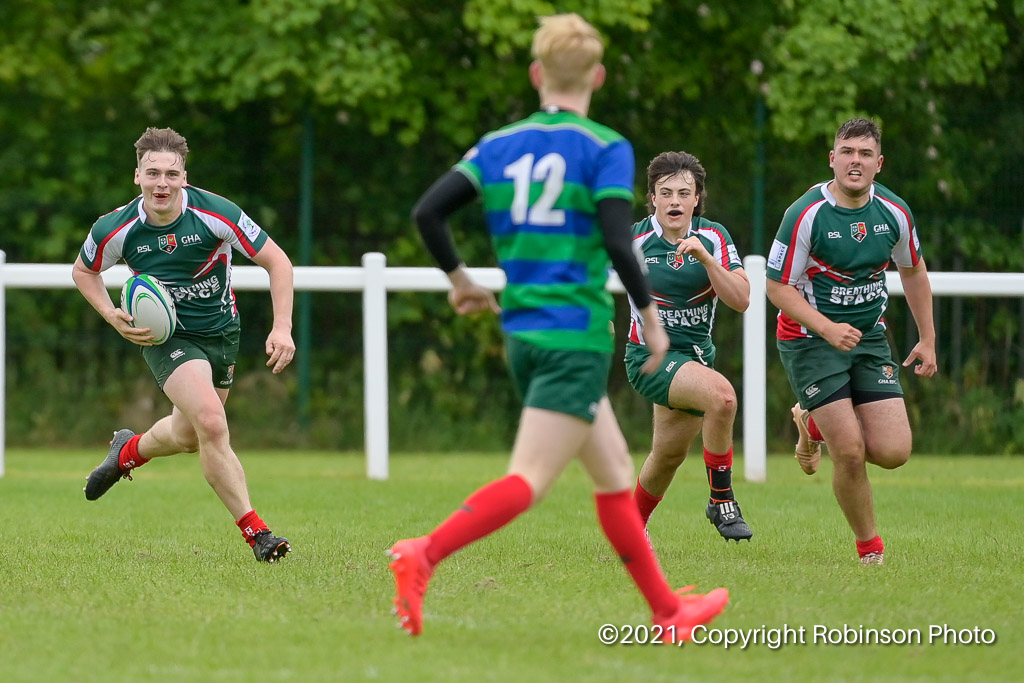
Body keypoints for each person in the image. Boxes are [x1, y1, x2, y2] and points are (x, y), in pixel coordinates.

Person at [388, 13, 728, 643]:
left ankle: (667, 613)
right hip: (573, 336)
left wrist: (461, 280)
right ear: (597, 77)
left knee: (614, 476)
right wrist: (651, 316)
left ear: (536, 74)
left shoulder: (497, 144)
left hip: (524, 333)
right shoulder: (604, 146)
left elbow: (429, 212)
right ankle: (423, 553)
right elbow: (618, 242)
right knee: (529, 481)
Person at [72, 127, 295, 563]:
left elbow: (278, 262)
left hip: (221, 332)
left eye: (171, 174)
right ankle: (258, 533)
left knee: (189, 435)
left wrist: (282, 327)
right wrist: (111, 314)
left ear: (184, 178)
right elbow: (84, 271)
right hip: (165, 337)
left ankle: (127, 451)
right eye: (152, 173)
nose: (162, 183)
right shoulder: (115, 227)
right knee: (211, 422)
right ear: (137, 176)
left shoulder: (216, 213)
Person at [765, 117, 937, 565]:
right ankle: (870, 550)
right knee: (850, 451)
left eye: (865, 154)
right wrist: (826, 328)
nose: (855, 161)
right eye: (847, 152)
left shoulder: (894, 212)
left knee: (894, 452)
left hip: (868, 339)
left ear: (879, 163)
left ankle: (812, 422)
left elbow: (913, 270)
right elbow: (777, 288)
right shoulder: (805, 214)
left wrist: (928, 338)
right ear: (832, 159)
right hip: (809, 340)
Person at [625, 151, 752, 542]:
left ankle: (629, 530)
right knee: (723, 398)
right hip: (649, 358)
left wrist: (707, 260)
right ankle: (721, 499)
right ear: (652, 198)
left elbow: (741, 299)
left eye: (684, 193)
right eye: (665, 193)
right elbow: (588, 279)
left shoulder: (713, 236)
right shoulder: (634, 239)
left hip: (695, 359)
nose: (674, 201)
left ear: (697, 198)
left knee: (668, 455)